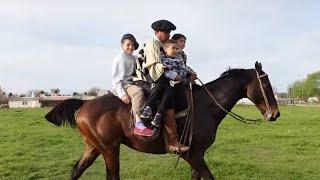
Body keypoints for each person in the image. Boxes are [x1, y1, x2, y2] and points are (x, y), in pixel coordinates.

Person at [135, 20, 189, 153]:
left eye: (169, 32)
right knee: (169, 94)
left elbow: (175, 64)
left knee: (173, 90)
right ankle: (172, 141)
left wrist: (185, 74)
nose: (168, 35)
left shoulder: (164, 45)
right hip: (144, 79)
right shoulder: (152, 44)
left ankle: (157, 116)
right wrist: (173, 75)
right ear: (157, 32)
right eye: (166, 32)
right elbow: (154, 68)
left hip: (159, 77)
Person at [140, 39, 196, 127]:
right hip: (165, 80)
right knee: (165, 88)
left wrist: (190, 74)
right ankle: (152, 110)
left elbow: (184, 69)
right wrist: (174, 76)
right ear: (165, 49)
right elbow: (163, 71)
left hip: (174, 82)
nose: (176, 51)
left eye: (177, 49)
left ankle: (157, 113)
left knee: (169, 91)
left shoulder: (179, 61)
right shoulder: (162, 59)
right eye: (173, 48)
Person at [112, 33, 154, 137]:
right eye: (128, 44)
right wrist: (122, 94)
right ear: (122, 45)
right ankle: (138, 124)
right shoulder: (120, 58)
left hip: (132, 82)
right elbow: (116, 79)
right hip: (124, 85)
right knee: (138, 93)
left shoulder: (133, 57)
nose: (131, 47)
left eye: (133, 45)